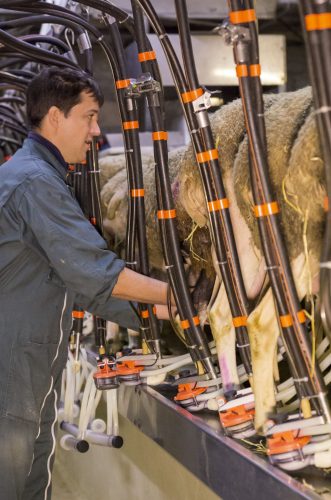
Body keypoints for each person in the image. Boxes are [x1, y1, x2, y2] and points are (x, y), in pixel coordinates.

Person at [0, 66, 171, 500]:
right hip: (11, 370)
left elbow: (70, 279)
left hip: (27, 370)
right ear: (55, 117)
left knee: (30, 483)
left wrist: (155, 313)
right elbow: (92, 270)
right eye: (89, 117)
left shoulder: (37, 175)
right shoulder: (34, 182)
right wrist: (184, 300)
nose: (96, 131)